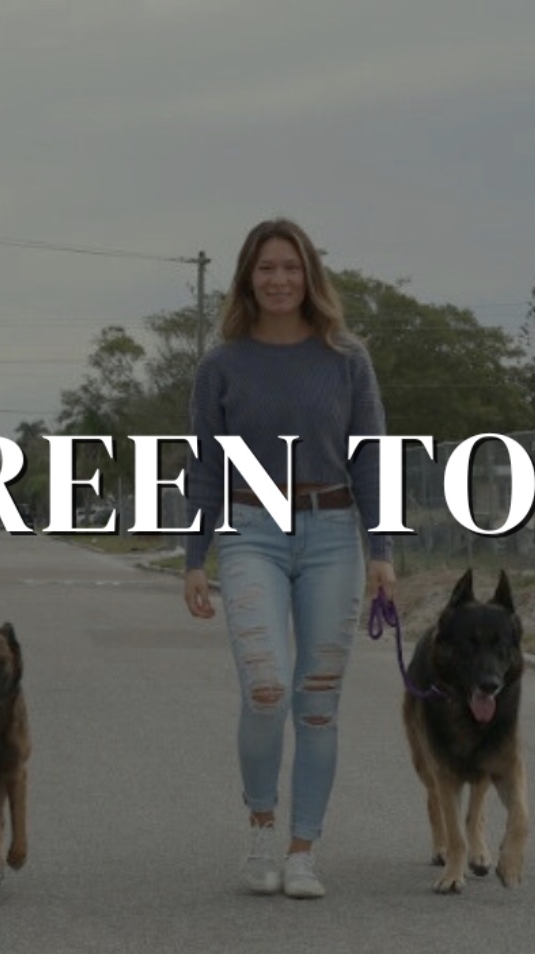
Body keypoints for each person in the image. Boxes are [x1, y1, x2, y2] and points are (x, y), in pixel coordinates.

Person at [182, 218, 395, 900]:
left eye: (291, 268)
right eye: (266, 268)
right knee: (267, 687)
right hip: (251, 532)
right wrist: (194, 558)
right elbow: (205, 468)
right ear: (247, 277)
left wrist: (382, 551)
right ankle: (261, 833)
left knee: (318, 702)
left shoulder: (346, 358)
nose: (279, 279)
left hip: (334, 533)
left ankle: (304, 851)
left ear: (310, 277)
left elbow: (371, 458)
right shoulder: (221, 364)